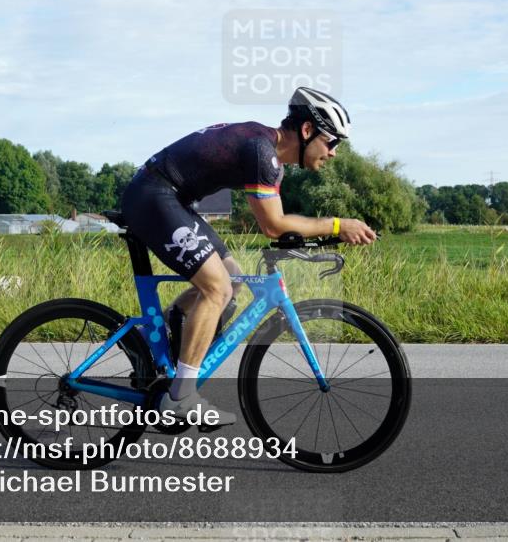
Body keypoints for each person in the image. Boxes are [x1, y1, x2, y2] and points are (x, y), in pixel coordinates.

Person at [120, 87, 377, 426]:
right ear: (306, 131)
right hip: (155, 195)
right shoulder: (262, 152)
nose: (333, 153)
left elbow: (281, 224)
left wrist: (316, 237)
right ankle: (180, 397)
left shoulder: (267, 154)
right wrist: (337, 225)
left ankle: (153, 340)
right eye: (332, 142)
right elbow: (273, 225)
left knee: (232, 279)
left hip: (172, 198)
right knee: (218, 289)